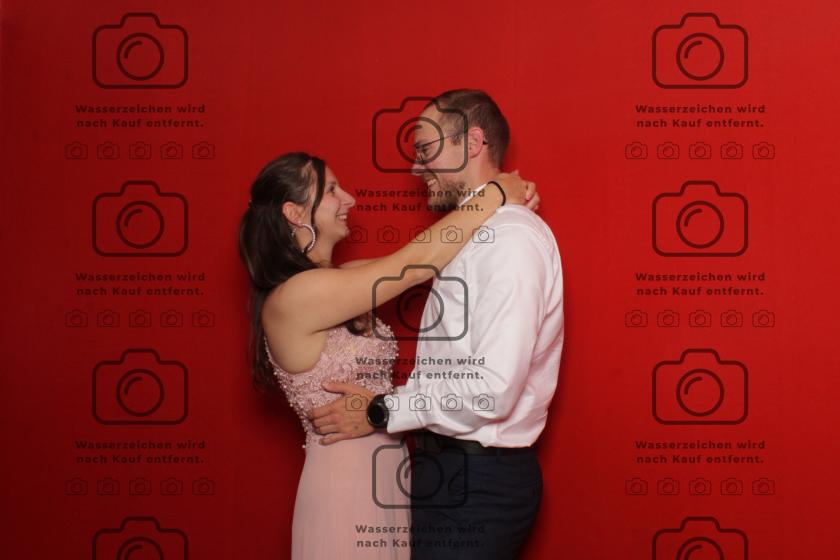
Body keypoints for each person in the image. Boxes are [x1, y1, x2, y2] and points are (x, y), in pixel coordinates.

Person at [238, 150, 539, 559]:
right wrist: (496, 192)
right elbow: (415, 263)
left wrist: (504, 210)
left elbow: (439, 255)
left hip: (388, 474)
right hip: (345, 482)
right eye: (331, 190)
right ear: (294, 212)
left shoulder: (340, 279)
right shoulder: (297, 295)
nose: (349, 199)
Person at [310, 89, 565, 560]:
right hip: (444, 471)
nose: (415, 168)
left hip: (477, 482)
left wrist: (381, 411)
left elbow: (492, 389)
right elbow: (396, 269)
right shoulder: (468, 236)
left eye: (426, 150)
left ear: (473, 143)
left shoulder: (510, 240)